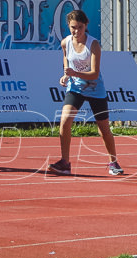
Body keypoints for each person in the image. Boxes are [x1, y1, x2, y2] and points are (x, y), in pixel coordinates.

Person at [48, 10, 124, 177]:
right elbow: (66, 59)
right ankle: (65, 162)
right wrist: (66, 74)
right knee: (65, 120)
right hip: (76, 87)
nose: (76, 31)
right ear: (68, 26)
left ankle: (113, 161)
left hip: (95, 89)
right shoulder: (65, 42)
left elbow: (95, 73)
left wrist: (74, 73)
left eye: (80, 27)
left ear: (86, 26)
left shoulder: (93, 44)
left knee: (103, 128)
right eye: (73, 28)